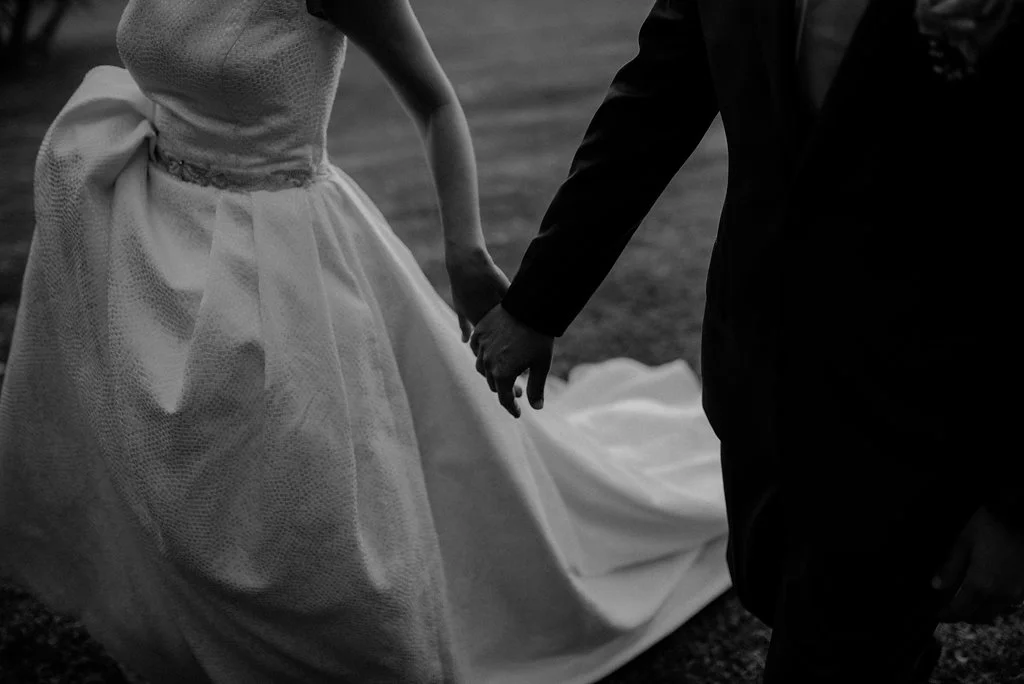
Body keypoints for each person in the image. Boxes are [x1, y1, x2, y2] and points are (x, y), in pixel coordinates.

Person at [0, 0, 732, 682]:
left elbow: (436, 102)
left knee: (302, 498)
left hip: (277, 260)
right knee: (170, 476)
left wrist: (465, 252)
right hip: (152, 234)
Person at [470, 0, 1024, 682]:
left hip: (933, 398)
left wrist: (1011, 505)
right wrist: (537, 304)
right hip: (760, 365)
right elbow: (653, 101)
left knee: (837, 645)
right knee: (775, 588)